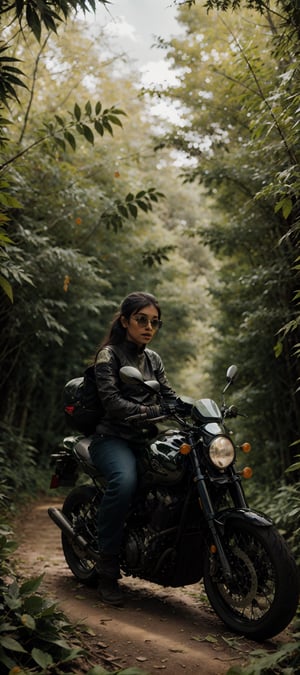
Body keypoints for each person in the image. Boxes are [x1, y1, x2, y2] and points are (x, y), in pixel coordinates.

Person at [89, 291, 182, 606]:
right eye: (141, 319)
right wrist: (151, 412)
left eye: (154, 322)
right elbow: (112, 403)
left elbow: (169, 396)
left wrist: (196, 407)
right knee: (124, 482)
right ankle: (106, 567)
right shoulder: (109, 356)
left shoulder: (153, 359)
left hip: (145, 439)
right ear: (126, 320)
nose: (148, 327)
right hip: (111, 438)